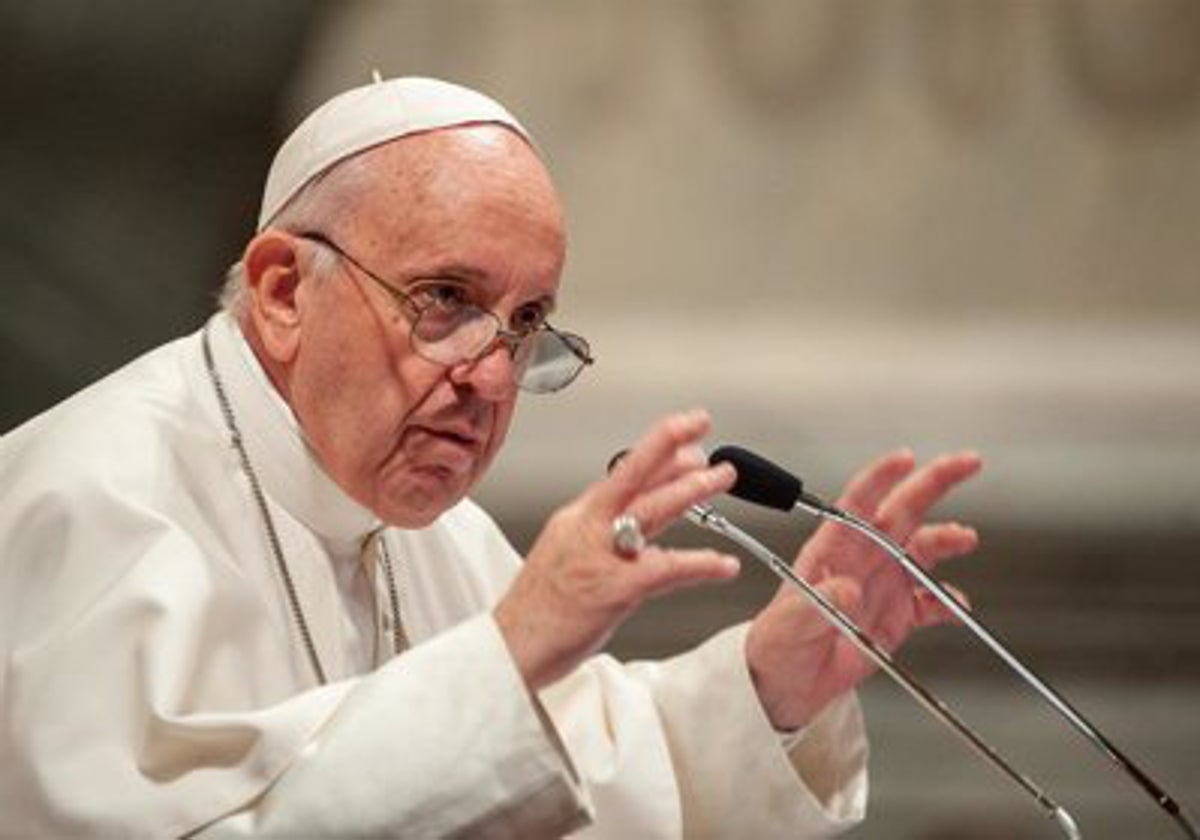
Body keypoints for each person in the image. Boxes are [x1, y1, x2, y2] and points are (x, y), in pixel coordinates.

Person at [0, 76, 981, 838]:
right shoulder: (93, 504)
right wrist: (511, 648)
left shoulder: (435, 535)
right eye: (445, 301)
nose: (492, 376)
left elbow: (583, 783)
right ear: (284, 290)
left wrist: (773, 686)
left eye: (525, 323)